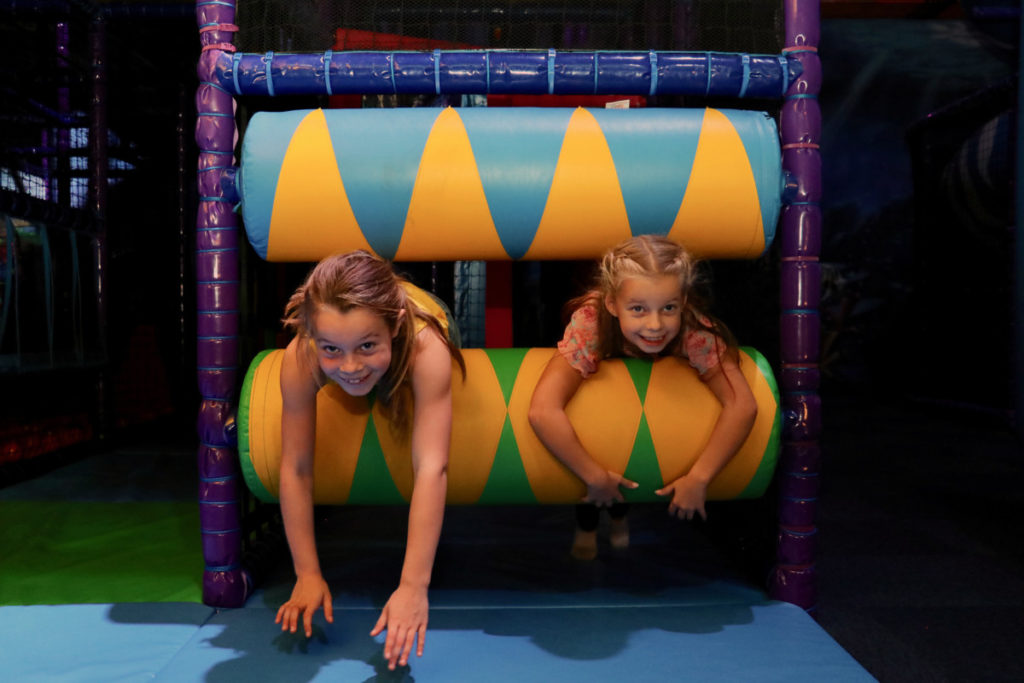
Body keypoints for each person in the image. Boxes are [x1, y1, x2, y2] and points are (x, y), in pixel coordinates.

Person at [273, 250, 464, 671]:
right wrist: (306, 572)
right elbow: (295, 467)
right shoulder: (301, 356)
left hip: (425, 315)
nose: (351, 366)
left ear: (393, 327)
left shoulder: (425, 348)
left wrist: (414, 586)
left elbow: (432, 467)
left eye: (367, 346)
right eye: (332, 350)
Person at [528, 234, 757, 560]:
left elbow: (743, 405)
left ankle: (620, 519)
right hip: (602, 426)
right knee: (597, 442)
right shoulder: (592, 324)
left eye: (668, 308)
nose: (655, 325)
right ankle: (588, 525)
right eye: (637, 309)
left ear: (684, 301)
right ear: (612, 304)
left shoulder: (695, 331)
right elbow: (542, 410)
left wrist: (700, 477)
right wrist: (594, 477)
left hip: (642, 436)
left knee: (633, 461)